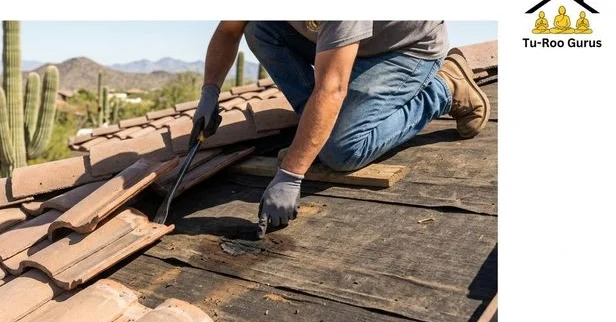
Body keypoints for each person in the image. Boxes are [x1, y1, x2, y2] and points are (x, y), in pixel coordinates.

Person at [191, 21, 490, 236]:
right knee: (259, 28)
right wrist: (210, 93)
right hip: (348, 42)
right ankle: (318, 129)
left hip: (404, 49)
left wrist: (291, 175)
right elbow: (228, 31)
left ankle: (445, 88)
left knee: (342, 150)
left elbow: (332, 88)